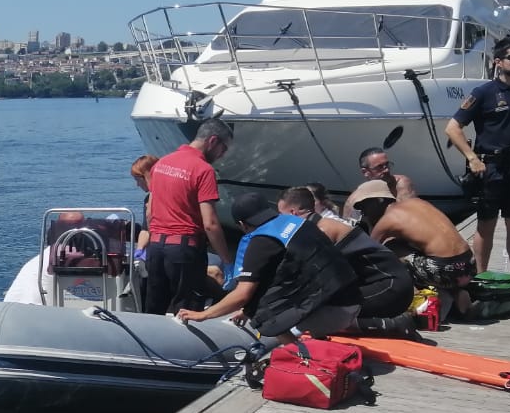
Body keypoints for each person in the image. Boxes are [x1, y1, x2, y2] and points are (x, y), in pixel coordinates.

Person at [175, 194, 360, 339]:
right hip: (353, 298)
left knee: (263, 316)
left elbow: (242, 295)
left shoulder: (260, 242)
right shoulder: (301, 222)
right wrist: (246, 310)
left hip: (334, 313)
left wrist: (203, 316)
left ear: (241, 224)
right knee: (258, 301)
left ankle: (300, 358)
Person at [444, 35, 510, 274]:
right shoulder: (483, 93)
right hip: (491, 168)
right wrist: (472, 158)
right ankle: (481, 276)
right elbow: (452, 127)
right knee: (485, 227)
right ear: (498, 62)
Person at [278, 187, 415, 334]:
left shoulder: (324, 230)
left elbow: (312, 274)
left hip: (391, 287)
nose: (280, 220)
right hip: (386, 284)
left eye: (281, 215)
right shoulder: (321, 225)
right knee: (315, 304)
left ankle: (393, 324)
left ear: (293, 213)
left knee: (319, 312)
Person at [347, 179, 475, 319]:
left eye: (364, 206)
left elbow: (368, 254)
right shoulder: (417, 202)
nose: (363, 213)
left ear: (379, 200)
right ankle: (456, 293)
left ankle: (419, 300)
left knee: (390, 250)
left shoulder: (387, 221)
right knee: (413, 248)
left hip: (444, 269)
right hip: (468, 264)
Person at [142, 119, 233, 314]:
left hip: (156, 247)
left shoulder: (162, 163)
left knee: (154, 309)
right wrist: (227, 260)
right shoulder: (203, 170)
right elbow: (210, 223)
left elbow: (150, 212)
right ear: (213, 141)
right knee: (187, 312)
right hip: (184, 251)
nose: (222, 155)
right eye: (223, 149)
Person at [345, 146, 418, 217]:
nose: (387, 170)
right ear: (365, 172)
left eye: (387, 165)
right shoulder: (356, 197)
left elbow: (408, 214)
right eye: (379, 167)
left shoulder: (400, 183)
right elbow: (349, 225)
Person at [128, 153, 157, 308]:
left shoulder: (163, 196)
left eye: (138, 180)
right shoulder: (148, 199)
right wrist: (139, 250)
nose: (137, 185)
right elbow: (146, 230)